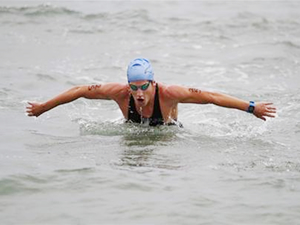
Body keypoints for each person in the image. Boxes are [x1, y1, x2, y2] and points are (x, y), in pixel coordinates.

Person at [26, 58, 276, 126]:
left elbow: (212, 97)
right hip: (134, 130)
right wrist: (41, 108)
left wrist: (252, 108)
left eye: (143, 86)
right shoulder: (121, 93)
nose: (138, 92)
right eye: (133, 87)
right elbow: (79, 90)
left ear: (153, 83)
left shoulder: (170, 93)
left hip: (169, 133)